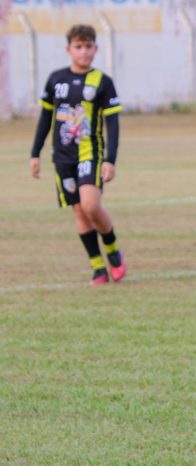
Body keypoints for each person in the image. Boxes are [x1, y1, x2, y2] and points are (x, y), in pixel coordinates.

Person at [29, 24, 125, 285]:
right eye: (78, 47)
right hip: (62, 156)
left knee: (91, 205)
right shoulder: (56, 80)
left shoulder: (102, 82)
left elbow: (112, 124)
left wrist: (110, 159)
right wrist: (35, 153)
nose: (83, 52)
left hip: (89, 153)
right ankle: (98, 267)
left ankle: (113, 248)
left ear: (96, 49)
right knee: (79, 213)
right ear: (68, 49)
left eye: (88, 47)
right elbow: (45, 117)